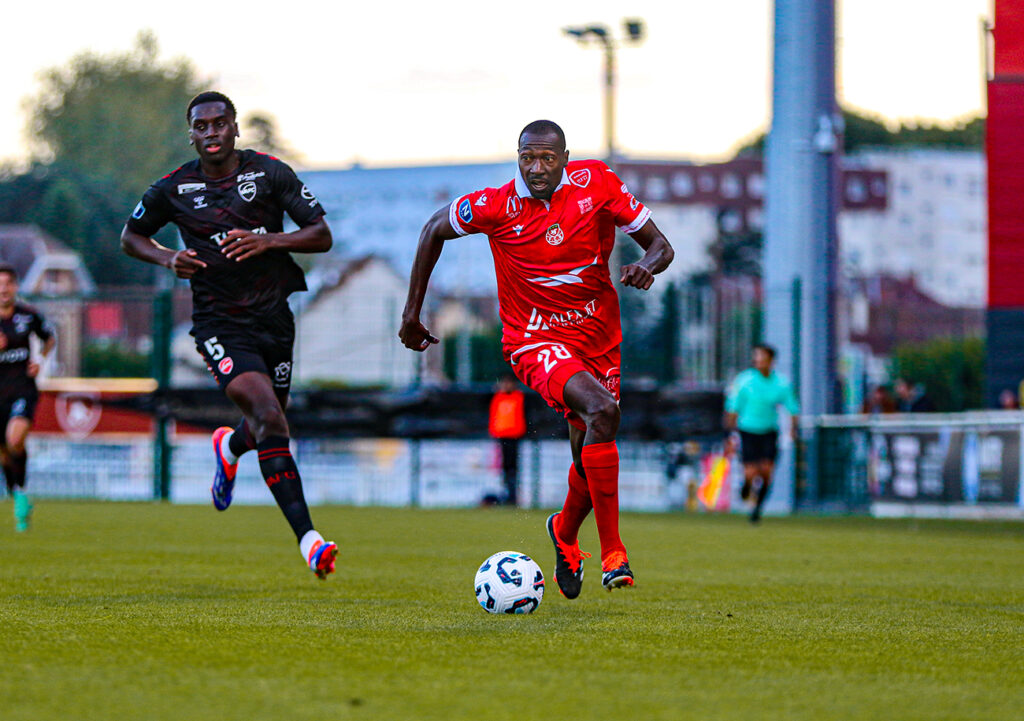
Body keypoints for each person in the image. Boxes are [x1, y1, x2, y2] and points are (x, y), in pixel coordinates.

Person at [400, 120, 674, 597]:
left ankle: (564, 534)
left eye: (548, 158)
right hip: (534, 340)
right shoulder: (493, 204)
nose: (537, 167)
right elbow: (432, 230)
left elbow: (662, 246)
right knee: (603, 411)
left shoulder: (599, 184)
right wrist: (411, 312)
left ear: (566, 159)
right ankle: (613, 552)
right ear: (518, 156)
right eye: (528, 157)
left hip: (599, 337)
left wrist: (644, 266)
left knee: (588, 453)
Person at [120, 91, 338, 579]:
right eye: (202, 125)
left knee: (269, 423)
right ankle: (310, 541)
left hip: (275, 319)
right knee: (269, 417)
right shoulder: (173, 188)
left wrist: (270, 240)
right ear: (192, 134)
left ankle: (229, 448)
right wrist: (166, 257)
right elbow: (130, 237)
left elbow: (321, 235)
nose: (212, 132)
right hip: (219, 324)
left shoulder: (270, 173)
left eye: (221, 123)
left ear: (235, 128)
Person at [0, 264, 55, 532]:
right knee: (4, 453)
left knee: (14, 439)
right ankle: (19, 496)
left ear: (15, 287)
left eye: (7, 284)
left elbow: (49, 338)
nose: (3, 289)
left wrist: (40, 360)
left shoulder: (28, 315)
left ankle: (19, 492)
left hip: (22, 388)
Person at [724, 344, 799, 524]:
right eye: (756, 357)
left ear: (771, 361)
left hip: (769, 431)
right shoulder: (744, 380)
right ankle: (747, 485)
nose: (758, 360)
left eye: (762, 357)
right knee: (751, 472)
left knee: (766, 471)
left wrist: (792, 430)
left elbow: (793, 409)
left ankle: (757, 508)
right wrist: (729, 436)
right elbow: (732, 409)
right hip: (748, 430)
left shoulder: (781, 383)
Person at [488, 374, 527, 505]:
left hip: (514, 437)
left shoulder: (519, 397)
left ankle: (513, 496)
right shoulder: (498, 397)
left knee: (512, 467)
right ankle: (508, 494)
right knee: (504, 467)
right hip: (501, 436)